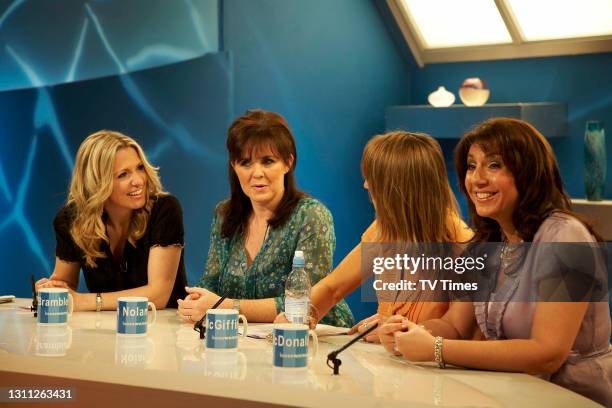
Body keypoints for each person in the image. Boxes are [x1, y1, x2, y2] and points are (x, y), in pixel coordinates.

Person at [379, 118, 611, 406]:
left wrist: (436, 349)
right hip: (513, 395)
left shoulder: (566, 237)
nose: (477, 179)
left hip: (575, 398)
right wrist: (409, 333)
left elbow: (547, 354)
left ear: (528, 173)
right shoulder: (487, 243)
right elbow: (455, 326)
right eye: (471, 165)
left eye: (494, 165)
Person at [279, 130, 473, 341]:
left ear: (399, 189)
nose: (366, 185)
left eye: (373, 178)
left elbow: (456, 330)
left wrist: (390, 330)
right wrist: (301, 314)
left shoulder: (462, 246)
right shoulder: (385, 229)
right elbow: (333, 287)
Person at [177, 110, 353, 326]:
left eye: (268, 161)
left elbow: (305, 303)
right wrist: (196, 301)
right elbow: (211, 283)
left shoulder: (311, 216)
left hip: (313, 342)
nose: (257, 173)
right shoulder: (224, 214)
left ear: (288, 163)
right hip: (246, 340)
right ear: (234, 165)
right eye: (246, 163)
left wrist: (224, 306)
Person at [36, 130, 187, 310]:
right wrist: (52, 290)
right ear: (97, 182)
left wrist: (84, 301)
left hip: (163, 328)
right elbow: (65, 285)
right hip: (103, 331)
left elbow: (158, 295)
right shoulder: (71, 220)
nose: (138, 180)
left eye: (140, 168)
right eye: (123, 174)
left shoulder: (164, 209)